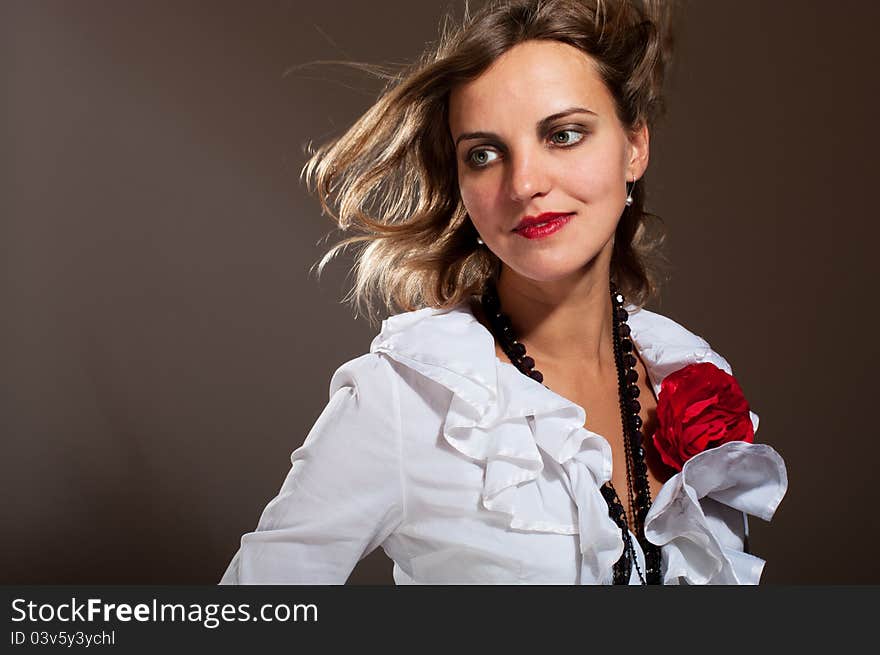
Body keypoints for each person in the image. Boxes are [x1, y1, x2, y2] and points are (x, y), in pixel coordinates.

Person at [220, 0, 787, 585]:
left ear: (634, 147)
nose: (524, 184)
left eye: (564, 135)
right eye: (484, 155)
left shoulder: (689, 376)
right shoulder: (411, 398)